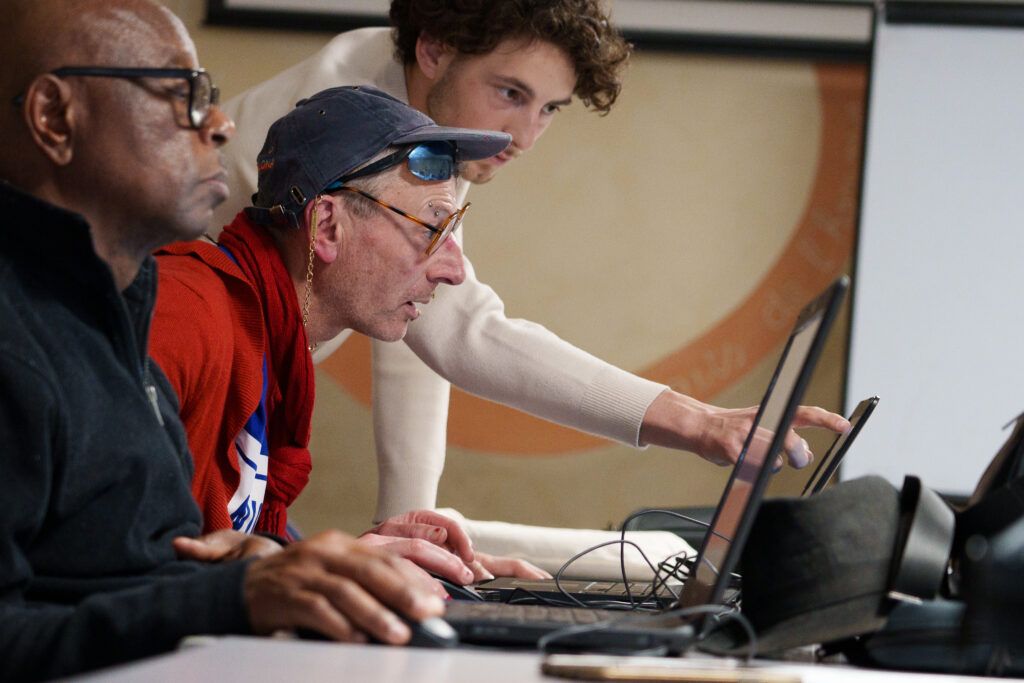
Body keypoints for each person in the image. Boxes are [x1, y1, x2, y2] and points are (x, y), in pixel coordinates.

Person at [219, 0, 851, 523]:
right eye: (510, 93)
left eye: (548, 109)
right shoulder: (347, 116)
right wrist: (692, 419)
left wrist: (406, 524)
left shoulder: (429, 118)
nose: (523, 138)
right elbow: (462, 333)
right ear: (434, 49)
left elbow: (417, 319)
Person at [0, 2, 446, 679]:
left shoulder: (113, 310)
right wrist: (228, 595)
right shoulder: (66, 329)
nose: (221, 122)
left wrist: (281, 565)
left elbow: (116, 571)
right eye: (185, 97)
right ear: (56, 117)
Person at [150, 85, 534, 583]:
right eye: (431, 230)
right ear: (327, 227)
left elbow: (235, 559)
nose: (455, 270)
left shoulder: (271, 344)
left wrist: (358, 559)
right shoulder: (183, 312)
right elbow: (103, 563)